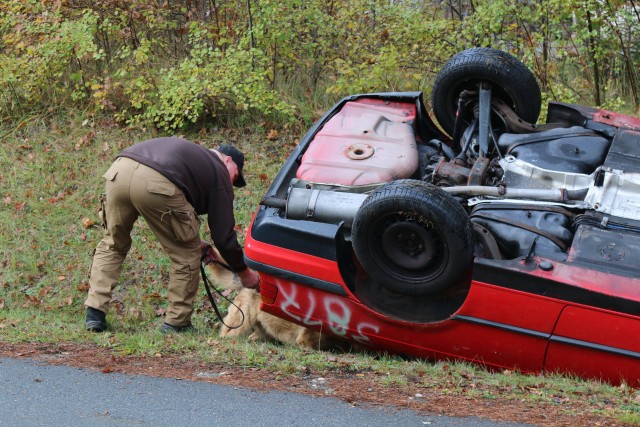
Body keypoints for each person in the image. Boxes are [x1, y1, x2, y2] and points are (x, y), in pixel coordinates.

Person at [84, 137, 260, 333]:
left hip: (119, 171)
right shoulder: (218, 170)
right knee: (186, 255)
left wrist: (193, 239)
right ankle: (177, 323)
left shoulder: (191, 160)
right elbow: (223, 235)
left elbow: (164, 210)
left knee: (113, 244)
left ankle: (94, 314)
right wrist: (244, 273)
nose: (232, 182)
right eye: (236, 176)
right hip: (156, 181)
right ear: (228, 160)